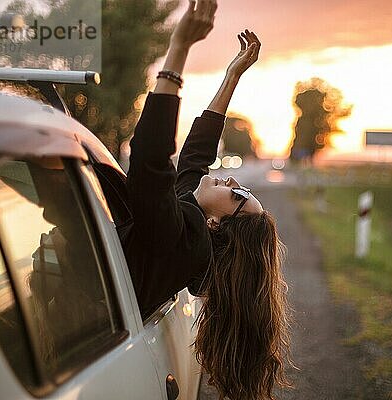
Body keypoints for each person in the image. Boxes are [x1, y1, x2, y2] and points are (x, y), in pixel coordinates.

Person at [121, 1, 291, 399]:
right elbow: (196, 154)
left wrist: (178, 49)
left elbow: (149, 158)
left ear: (216, 225)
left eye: (236, 195)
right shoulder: (188, 232)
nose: (231, 180)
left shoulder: (179, 240)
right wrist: (232, 75)